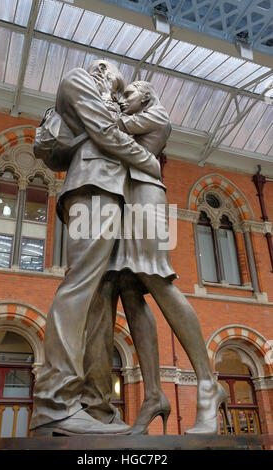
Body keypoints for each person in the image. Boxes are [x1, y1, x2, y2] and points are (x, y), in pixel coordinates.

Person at [86, 80, 229, 435]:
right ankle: (152, 395)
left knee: (155, 278)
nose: (123, 98)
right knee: (127, 289)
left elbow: (108, 126)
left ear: (146, 95)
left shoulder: (156, 115)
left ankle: (209, 384)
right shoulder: (139, 114)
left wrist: (104, 98)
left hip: (145, 197)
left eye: (129, 93)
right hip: (122, 199)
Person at [29, 61, 163, 436]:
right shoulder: (77, 78)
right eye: (116, 86)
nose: (118, 95)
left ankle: (98, 409)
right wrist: (148, 161)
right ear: (102, 70)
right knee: (80, 287)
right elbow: (104, 131)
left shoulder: (106, 96)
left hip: (113, 192)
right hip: (92, 186)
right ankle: (55, 403)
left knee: (101, 300)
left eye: (122, 92)